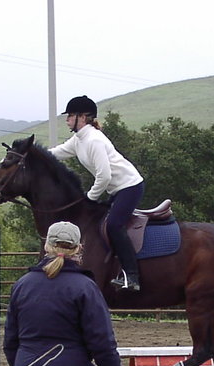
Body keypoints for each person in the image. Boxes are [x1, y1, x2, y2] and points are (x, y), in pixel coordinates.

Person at [3, 221, 134, 366]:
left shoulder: (22, 285)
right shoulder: (85, 287)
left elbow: (10, 343)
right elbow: (102, 344)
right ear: (78, 248)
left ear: (46, 245)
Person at [49, 95, 145, 291]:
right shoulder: (79, 139)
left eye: (70, 115)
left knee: (114, 225)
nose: (67, 119)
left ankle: (131, 276)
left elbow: (105, 176)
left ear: (82, 117)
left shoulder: (94, 140)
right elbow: (58, 152)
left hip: (130, 187)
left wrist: (90, 197)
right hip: (117, 189)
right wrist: (30, 154)